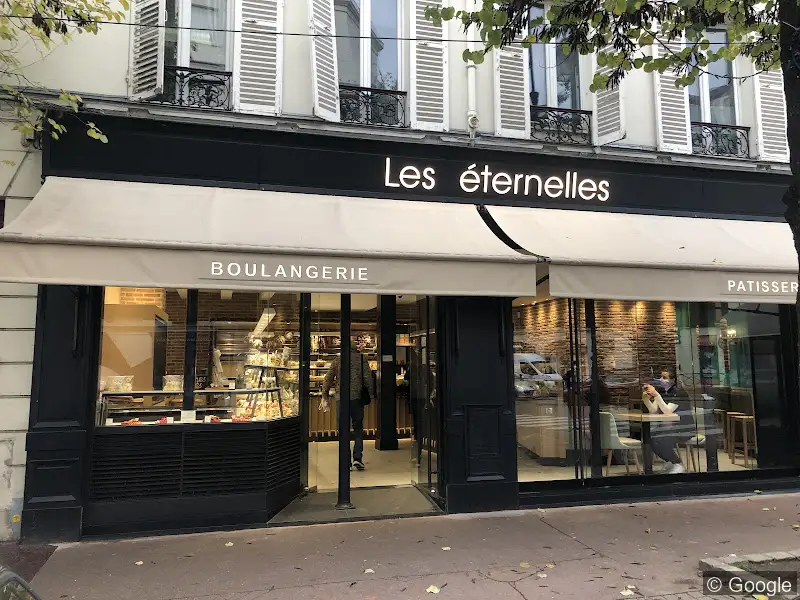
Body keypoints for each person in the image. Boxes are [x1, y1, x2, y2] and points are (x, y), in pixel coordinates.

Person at [321, 345, 376, 471]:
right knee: (358, 428)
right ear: (355, 349)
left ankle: (346, 461)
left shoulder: (338, 360)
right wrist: (371, 395)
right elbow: (368, 379)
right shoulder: (362, 359)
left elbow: (328, 378)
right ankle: (358, 458)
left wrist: (325, 394)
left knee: (343, 429)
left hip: (342, 400)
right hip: (357, 399)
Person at [642, 378, 692, 474]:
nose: (661, 380)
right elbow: (653, 410)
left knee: (661, 438)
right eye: (660, 378)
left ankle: (677, 463)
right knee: (649, 437)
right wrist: (646, 399)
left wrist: (656, 395)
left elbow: (667, 411)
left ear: (673, 380)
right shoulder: (663, 391)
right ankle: (670, 461)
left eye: (664, 378)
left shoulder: (678, 392)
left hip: (683, 427)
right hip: (667, 427)